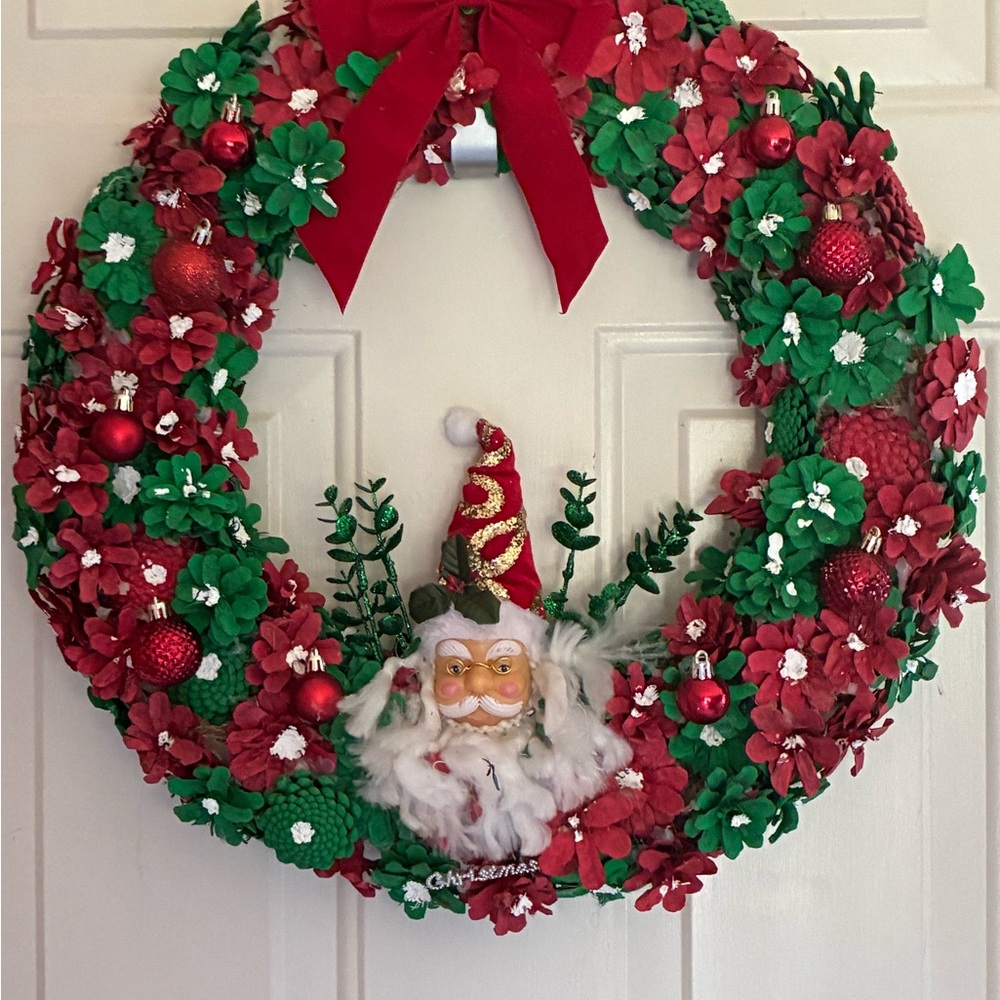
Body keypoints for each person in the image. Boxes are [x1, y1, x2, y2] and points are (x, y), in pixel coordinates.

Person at [340, 412, 631, 862]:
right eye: (456, 667)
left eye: (500, 666)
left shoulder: (548, 756)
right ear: (427, 675)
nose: (477, 685)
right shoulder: (412, 763)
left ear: (537, 676)